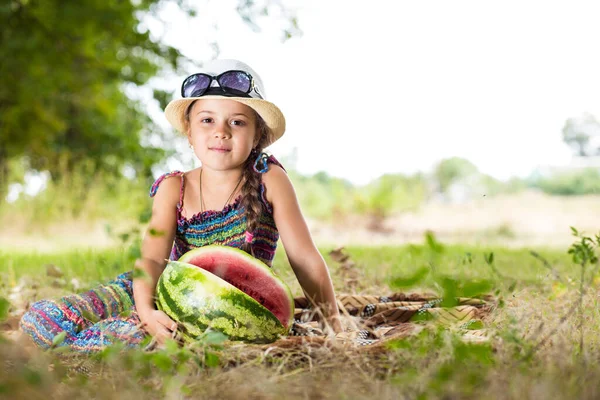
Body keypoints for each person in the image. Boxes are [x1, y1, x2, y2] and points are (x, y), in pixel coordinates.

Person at [19, 59, 342, 352]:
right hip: (153, 289)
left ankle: (80, 351)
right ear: (189, 132)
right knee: (44, 322)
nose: (220, 132)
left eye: (238, 122)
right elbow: (151, 259)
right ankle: (69, 346)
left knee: (128, 342)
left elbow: (304, 258)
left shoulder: (269, 178)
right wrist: (146, 311)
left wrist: (334, 324)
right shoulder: (173, 187)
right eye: (207, 120)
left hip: (221, 309)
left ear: (258, 134)